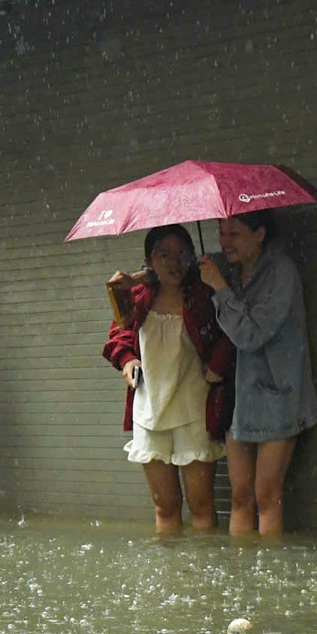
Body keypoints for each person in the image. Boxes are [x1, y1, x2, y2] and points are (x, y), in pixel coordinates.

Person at [103, 224, 233, 532]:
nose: (173, 262)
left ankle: (202, 575)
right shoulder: (136, 296)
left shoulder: (203, 293)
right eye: (163, 255)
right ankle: (169, 576)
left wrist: (217, 363)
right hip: (150, 408)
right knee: (165, 506)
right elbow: (117, 336)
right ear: (148, 259)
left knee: (201, 506)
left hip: (194, 407)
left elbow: (228, 334)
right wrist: (127, 358)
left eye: (180, 254)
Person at [199, 212, 317, 535]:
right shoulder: (231, 270)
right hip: (240, 398)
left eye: (234, 233)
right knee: (240, 497)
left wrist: (221, 289)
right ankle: (241, 580)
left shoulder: (281, 273)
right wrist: (142, 277)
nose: (225, 241)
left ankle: (269, 578)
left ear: (260, 234)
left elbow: (250, 335)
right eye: (221, 232)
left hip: (278, 395)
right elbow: (182, 268)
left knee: (266, 495)